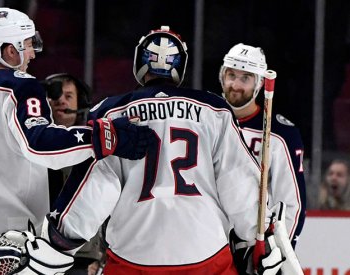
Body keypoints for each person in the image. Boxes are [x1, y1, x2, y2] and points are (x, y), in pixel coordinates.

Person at [0, 7, 153, 275]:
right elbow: (40, 144)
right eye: (28, 45)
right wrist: (106, 136)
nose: (32, 53)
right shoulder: (19, 86)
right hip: (6, 247)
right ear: (9, 51)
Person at [34, 26, 284, 274]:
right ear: (180, 67)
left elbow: (99, 188)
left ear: (139, 63)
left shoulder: (113, 112)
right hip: (204, 252)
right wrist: (256, 237)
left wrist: (60, 239)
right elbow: (237, 180)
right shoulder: (214, 110)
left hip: (134, 253)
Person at [218, 43, 306, 247]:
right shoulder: (206, 122)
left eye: (245, 78)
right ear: (222, 76)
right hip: (207, 244)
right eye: (231, 75)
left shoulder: (281, 134)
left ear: (259, 84)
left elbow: (292, 203)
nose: (236, 85)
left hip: (252, 244)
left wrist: (280, 252)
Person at [42, 73, 104, 275]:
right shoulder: (27, 144)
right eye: (55, 95)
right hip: (36, 251)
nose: (61, 100)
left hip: (80, 256)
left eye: (68, 96)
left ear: (81, 102)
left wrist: (100, 253)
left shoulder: (94, 147)